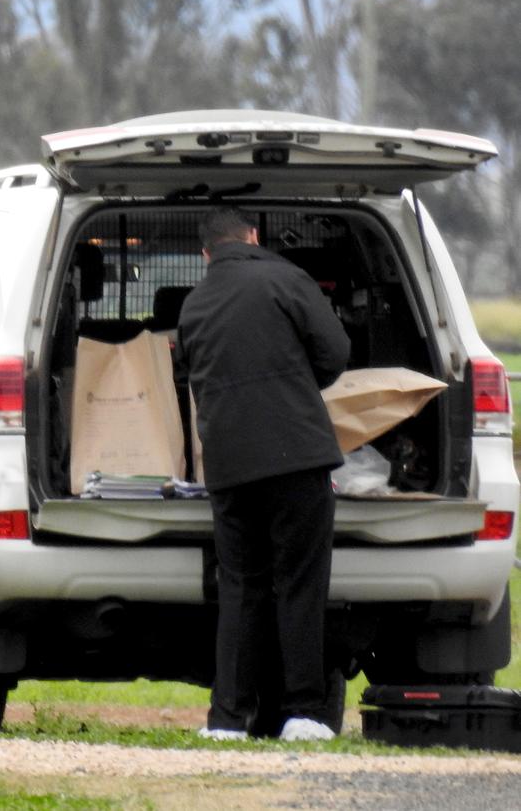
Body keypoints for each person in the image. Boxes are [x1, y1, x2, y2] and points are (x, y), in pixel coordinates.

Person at [176, 208, 350, 742]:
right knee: (298, 583)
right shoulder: (285, 277)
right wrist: (300, 384)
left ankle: (227, 719)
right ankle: (303, 713)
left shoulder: (194, 303)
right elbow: (335, 352)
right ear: (254, 237)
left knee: (241, 587)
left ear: (206, 253)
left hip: (228, 466)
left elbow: (185, 371)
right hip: (297, 456)